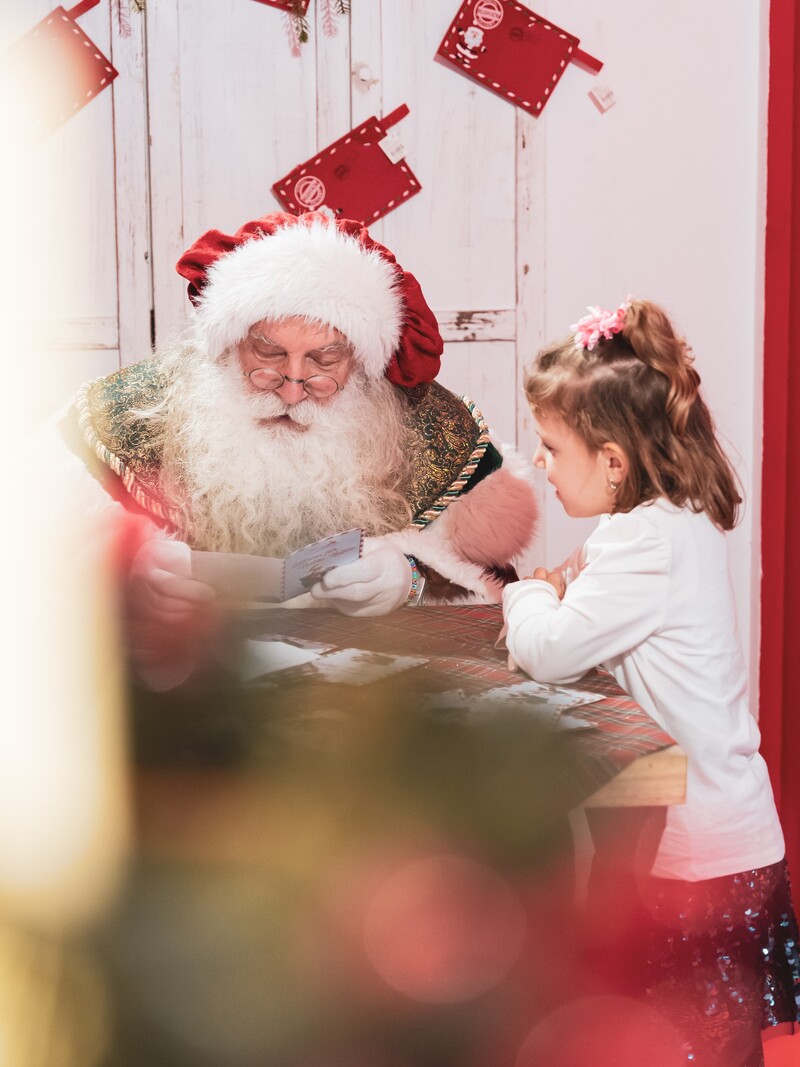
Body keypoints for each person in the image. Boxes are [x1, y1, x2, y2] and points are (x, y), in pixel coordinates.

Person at [502, 297, 800, 1065]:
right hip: (723, 832)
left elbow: (545, 650)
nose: (541, 463)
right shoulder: (669, 519)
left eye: (550, 447)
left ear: (611, 460)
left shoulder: (641, 542)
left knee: (689, 1041)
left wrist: (527, 589)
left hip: (697, 852)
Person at [57, 211, 538, 687]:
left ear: (362, 364)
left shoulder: (434, 429)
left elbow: (505, 600)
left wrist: (411, 579)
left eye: (324, 361)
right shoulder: (122, 416)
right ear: (227, 346)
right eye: (266, 355)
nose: (290, 390)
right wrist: (127, 581)